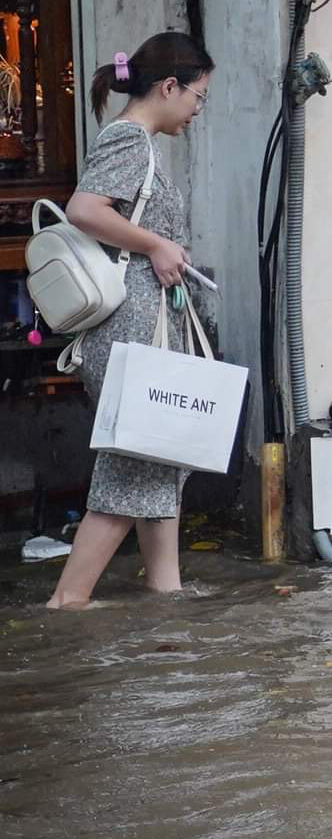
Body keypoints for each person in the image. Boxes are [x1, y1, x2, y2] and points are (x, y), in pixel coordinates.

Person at [46, 33, 215, 610]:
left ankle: (165, 593)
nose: (197, 108)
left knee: (157, 459)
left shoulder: (140, 143)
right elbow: (84, 208)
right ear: (169, 87)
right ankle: (69, 603)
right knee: (131, 467)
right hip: (132, 329)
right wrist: (157, 245)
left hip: (143, 328)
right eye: (198, 95)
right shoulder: (129, 139)